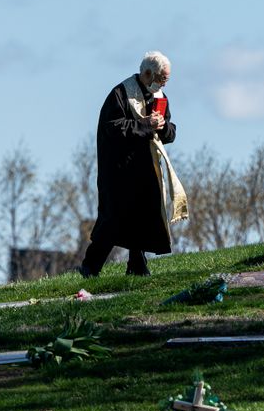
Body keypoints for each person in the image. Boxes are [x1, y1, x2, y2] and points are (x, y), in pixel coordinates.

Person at [79, 51, 188, 277]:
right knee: (113, 218)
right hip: (118, 171)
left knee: (142, 215)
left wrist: (161, 127)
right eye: (160, 79)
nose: (162, 84)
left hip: (145, 169)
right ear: (147, 74)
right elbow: (114, 127)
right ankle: (90, 266)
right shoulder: (120, 94)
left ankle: (137, 266)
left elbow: (169, 132)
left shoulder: (159, 97)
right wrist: (145, 124)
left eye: (165, 80)